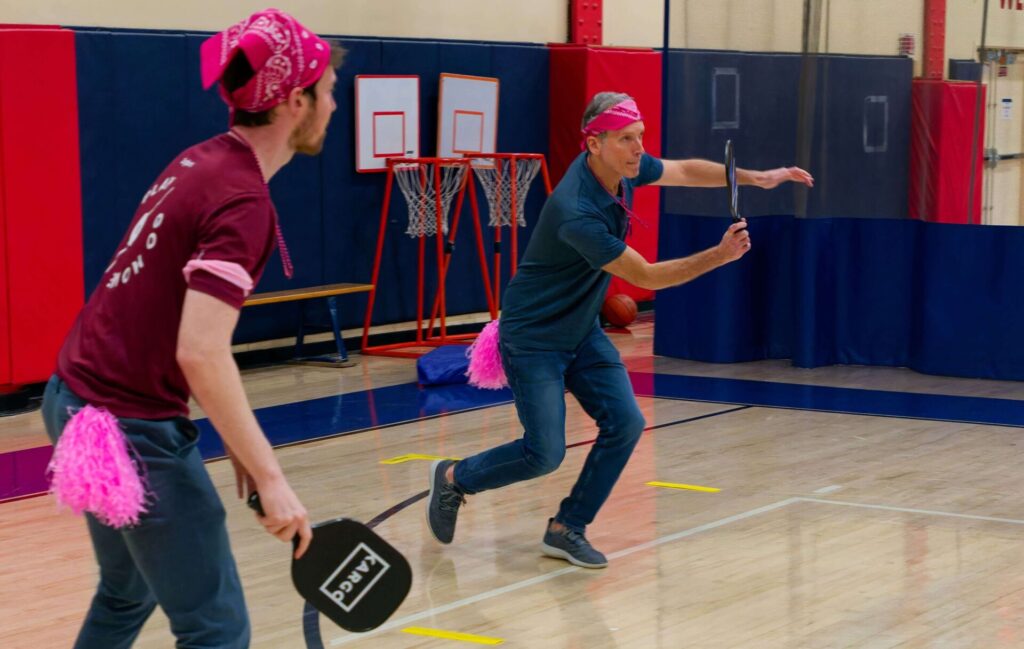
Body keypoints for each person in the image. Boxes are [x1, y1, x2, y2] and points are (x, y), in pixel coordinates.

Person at [40, 10, 344, 648]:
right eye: (328, 88)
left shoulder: (202, 162)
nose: (334, 103)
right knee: (216, 629)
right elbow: (202, 352)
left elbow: (167, 320)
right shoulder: (242, 201)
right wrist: (270, 477)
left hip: (73, 397)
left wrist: (238, 448)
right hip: (128, 424)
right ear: (295, 101)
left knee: (128, 591)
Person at [427, 91, 813, 568]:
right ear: (594, 143)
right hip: (534, 340)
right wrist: (719, 255)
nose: (638, 149)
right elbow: (647, 276)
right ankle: (454, 480)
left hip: (581, 329)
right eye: (627, 139)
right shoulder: (576, 211)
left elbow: (684, 171)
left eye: (641, 138)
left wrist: (754, 177)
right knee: (543, 454)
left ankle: (568, 527)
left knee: (626, 423)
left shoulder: (621, 170)